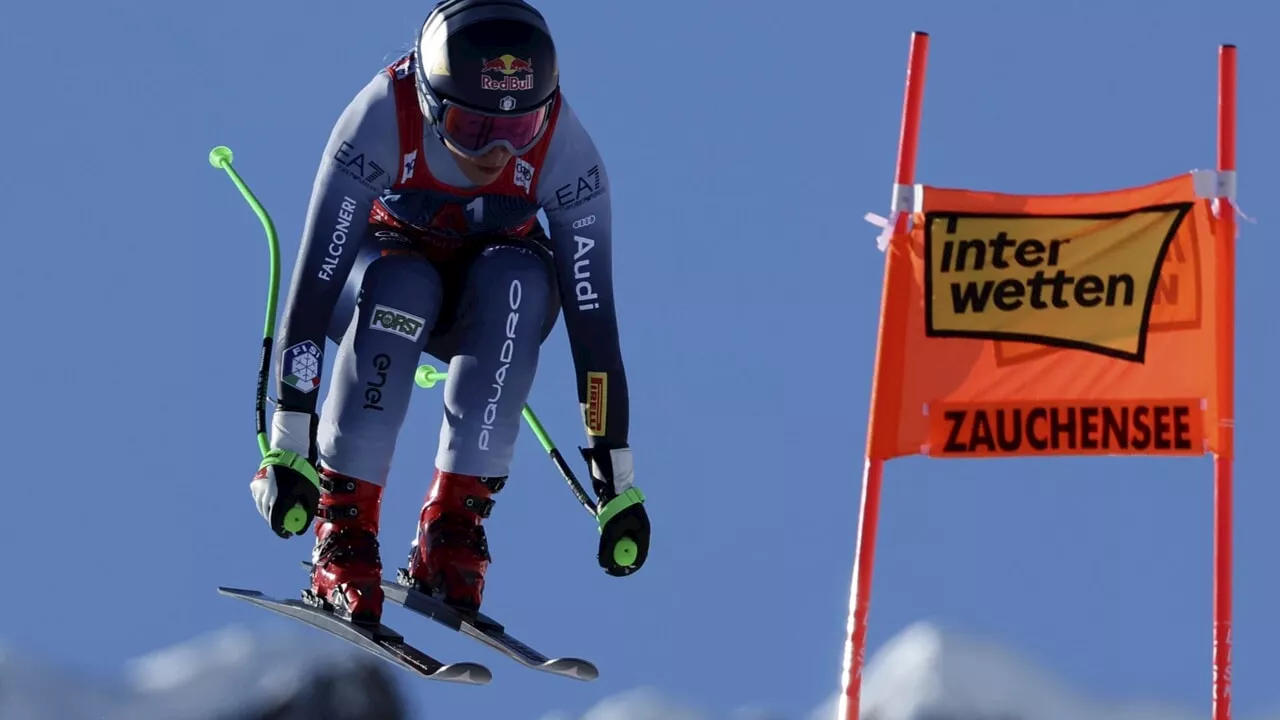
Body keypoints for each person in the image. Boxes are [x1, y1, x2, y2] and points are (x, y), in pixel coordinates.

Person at [245, 0, 649, 626]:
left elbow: (595, 330)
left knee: (520, 281)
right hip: (378, 282)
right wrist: (288, 442)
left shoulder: (570, 156)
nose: (492, 151)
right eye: (469, 126)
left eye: (517, 132)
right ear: (430, 100)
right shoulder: (381, 118)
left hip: (486, 297)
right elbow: (317, 282)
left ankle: (453, 527)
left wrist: (617, 483)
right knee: (404, 286)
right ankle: (344, 527)